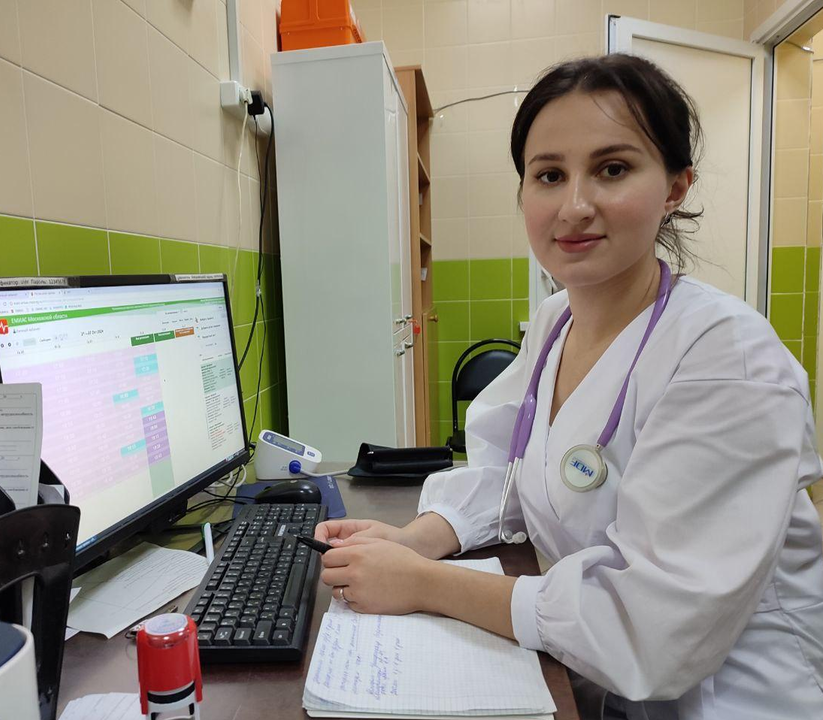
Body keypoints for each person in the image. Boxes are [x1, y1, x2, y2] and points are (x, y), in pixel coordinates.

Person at [314, 54, 823, 719]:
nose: (575, 206)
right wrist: (416, 539)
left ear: (675, 186)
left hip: (730, 699)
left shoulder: (728, 360)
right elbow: (508, 475)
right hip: (588, 678)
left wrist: (425, 584)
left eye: (612, 169)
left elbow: (655, 631)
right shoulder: (556, 322)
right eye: (549, 175)